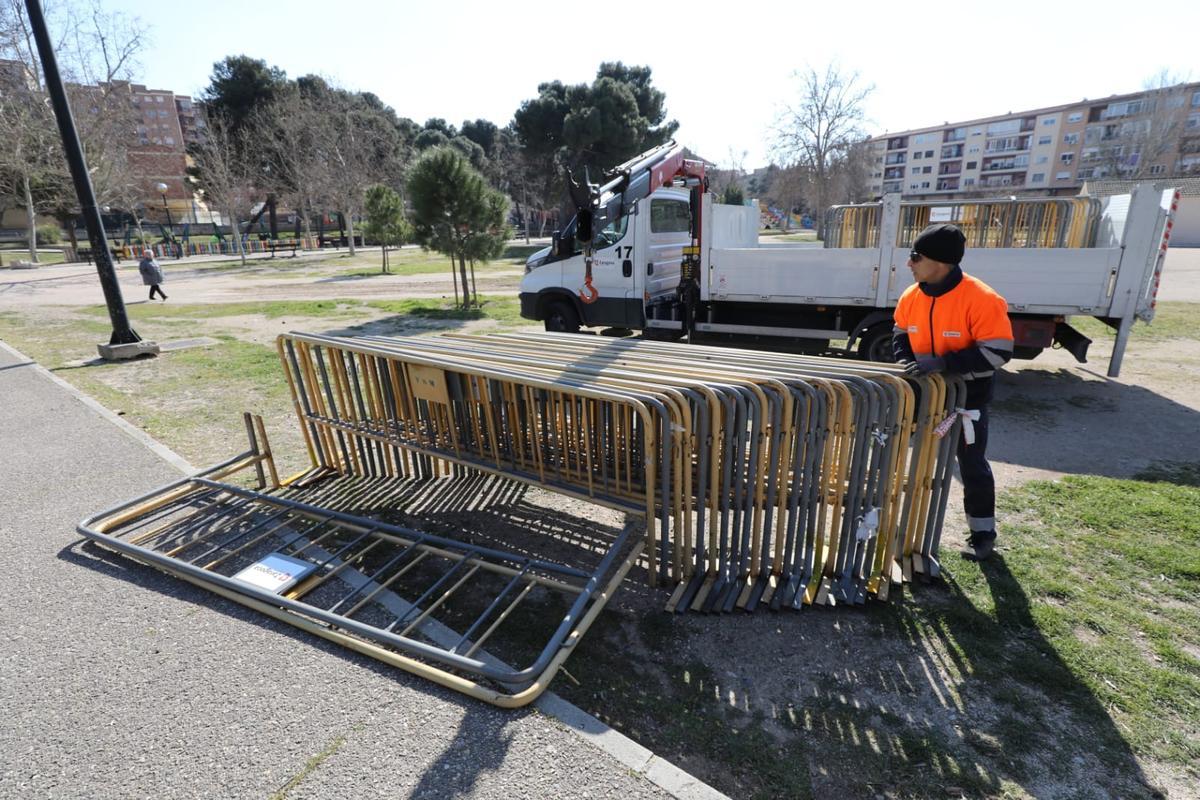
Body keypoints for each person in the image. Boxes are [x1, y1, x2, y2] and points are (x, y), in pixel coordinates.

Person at [893, 224, 1014, 561]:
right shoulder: (911, 296)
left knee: (972, 465)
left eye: (916, 256)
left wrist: (945, 364)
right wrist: (906, 361)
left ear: (940, 263)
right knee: (900, 458)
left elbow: (998, 353)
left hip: (966, 401)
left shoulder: (982, 298)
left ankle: (982, 534)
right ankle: (891, 528)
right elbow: (900, 332)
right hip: (922, 396)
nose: (910, 263)